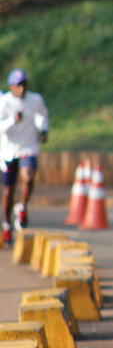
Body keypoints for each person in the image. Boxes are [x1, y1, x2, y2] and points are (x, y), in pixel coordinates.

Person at [0, 69, 49, 247]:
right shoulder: (4, 102)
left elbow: (42, 114)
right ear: (11, 86)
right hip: (7, 151)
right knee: (8, 191)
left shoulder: (35, 99)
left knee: (28, 176)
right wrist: (13, 120)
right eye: (18, 85)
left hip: (28, 147)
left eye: (24, 84)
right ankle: (6, 225)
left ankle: (22, 207)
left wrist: (43, 130)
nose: (21, 89)